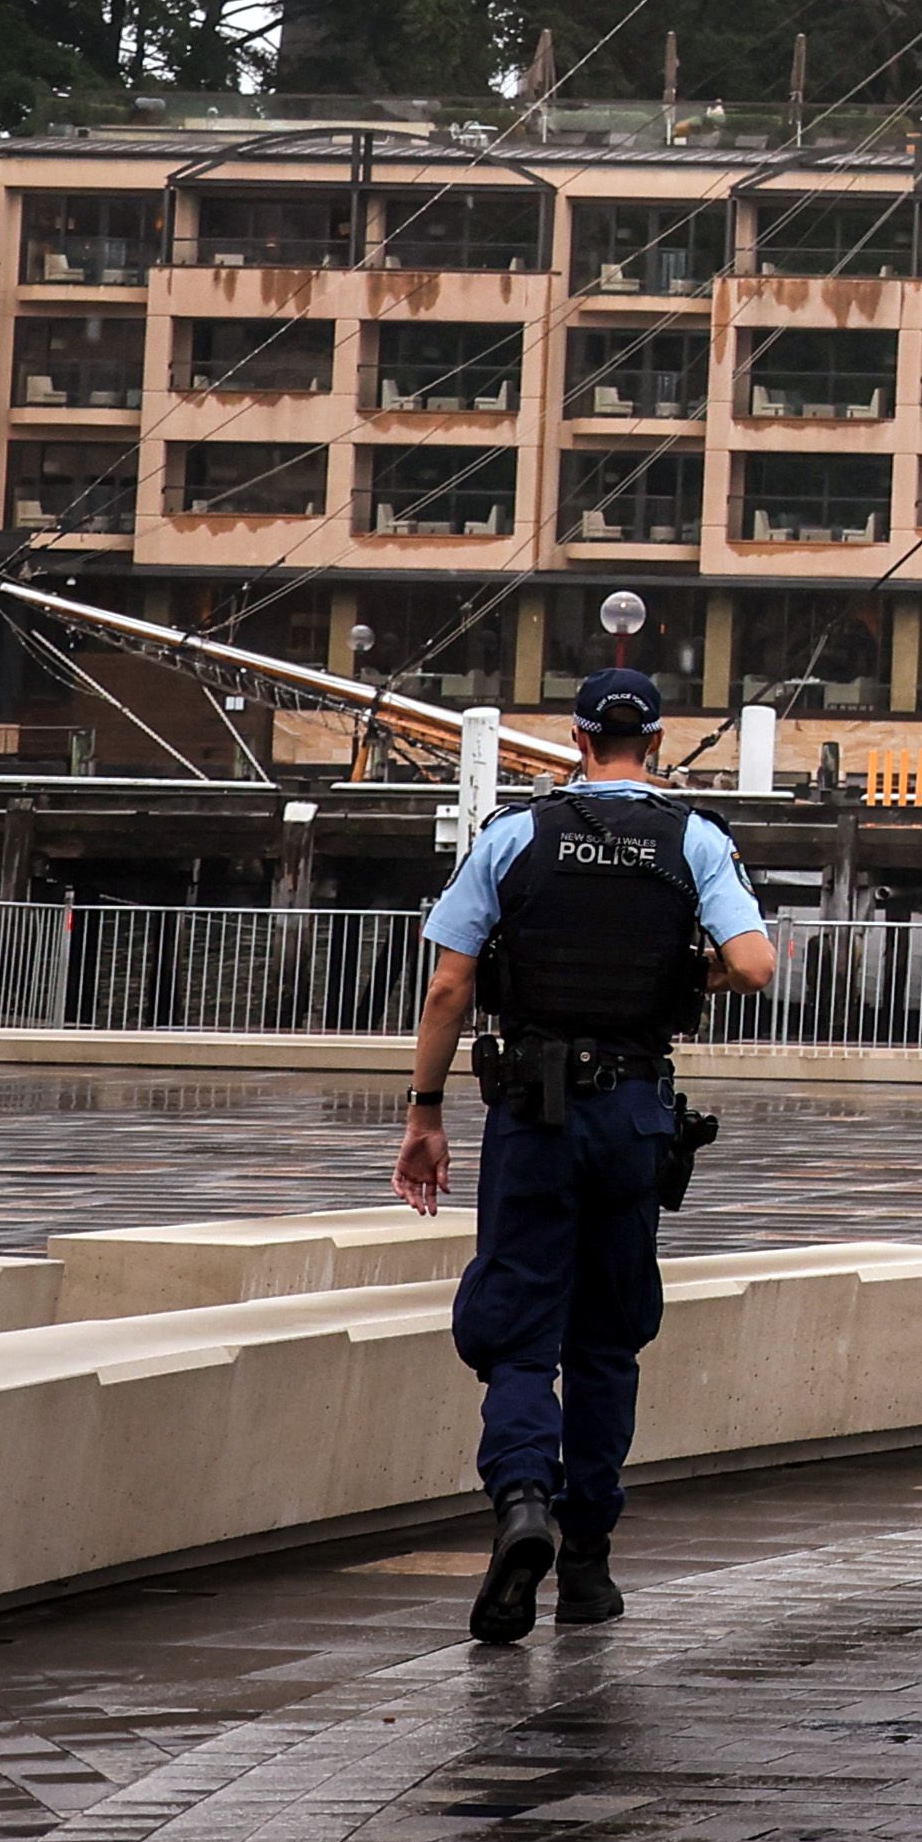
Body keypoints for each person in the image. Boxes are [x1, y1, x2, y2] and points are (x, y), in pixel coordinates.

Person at [393, 666, 778, 1647]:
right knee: (607, 1337)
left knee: (520, 1324)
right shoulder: (695, 839)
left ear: (574, 737)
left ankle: (523, 1498)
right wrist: (676, 973)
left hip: (533, 1110)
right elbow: (753, 963)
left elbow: (448, 986)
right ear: (655, 739)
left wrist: (425, 1111)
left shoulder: (513, 836)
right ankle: (591, 1561)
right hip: (635, 1113)